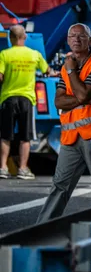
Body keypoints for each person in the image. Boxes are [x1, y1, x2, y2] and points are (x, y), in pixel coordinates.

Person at [37, 24, 91, 222]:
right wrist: (84, 98)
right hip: (71, 137)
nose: (76, 39)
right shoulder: (67, 67)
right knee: (60, 185)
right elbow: (59, 101)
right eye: (72, 36)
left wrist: (73, 74)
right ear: (67, 40)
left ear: (90, 41)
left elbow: (81, 94)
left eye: (81, 36)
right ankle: (42, 227)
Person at [0, 25, 50, 179]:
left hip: (8, 98)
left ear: (10, 38)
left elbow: (0, 76)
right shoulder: (34, 55)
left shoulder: (4, 54)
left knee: (5, 135)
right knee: (25, 136)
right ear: (25, 37)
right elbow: (46, 71)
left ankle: (2, 168)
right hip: (27, 99)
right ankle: (23, 169)